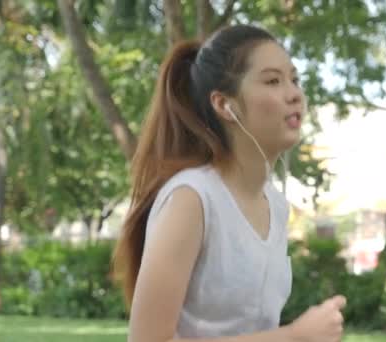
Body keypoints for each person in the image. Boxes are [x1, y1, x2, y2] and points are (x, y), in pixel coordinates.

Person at [112, 24, 346, 342]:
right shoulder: (192, 198)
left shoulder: (275, 205)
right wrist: (292, 337)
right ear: (224, 104)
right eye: (273, 81)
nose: (294, 94)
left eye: (295, 79)